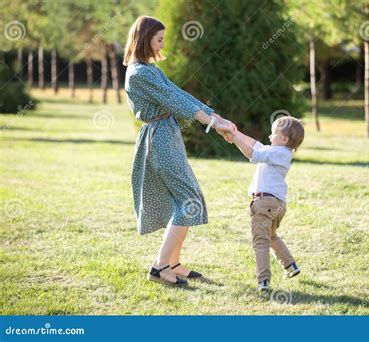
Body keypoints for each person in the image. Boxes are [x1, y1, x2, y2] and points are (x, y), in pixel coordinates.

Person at [123, 16, 236, 286]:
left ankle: (173, 262)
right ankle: (160, 266)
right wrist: (213, 125)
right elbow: (175, 101)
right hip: (159, 138)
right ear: (144, 38)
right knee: (188, 200)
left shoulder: (148, 69)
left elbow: (179, 93)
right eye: (159, 39)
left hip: (166, 135)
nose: (162, 44)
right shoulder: (139, 73)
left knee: (185, 199)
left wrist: (215, 116)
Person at [225, 116, 305, 291]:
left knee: (260, 242)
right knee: (270, 236)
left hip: (265, 203)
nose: (269, 136)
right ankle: (290, 266)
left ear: (284, 139)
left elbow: (253, 154)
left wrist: (235, 138)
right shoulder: (279, 152)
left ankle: (263, 281)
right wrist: (236, 133)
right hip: (275, 205)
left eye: (273, 133)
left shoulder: (279, 153)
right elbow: (256, 145)